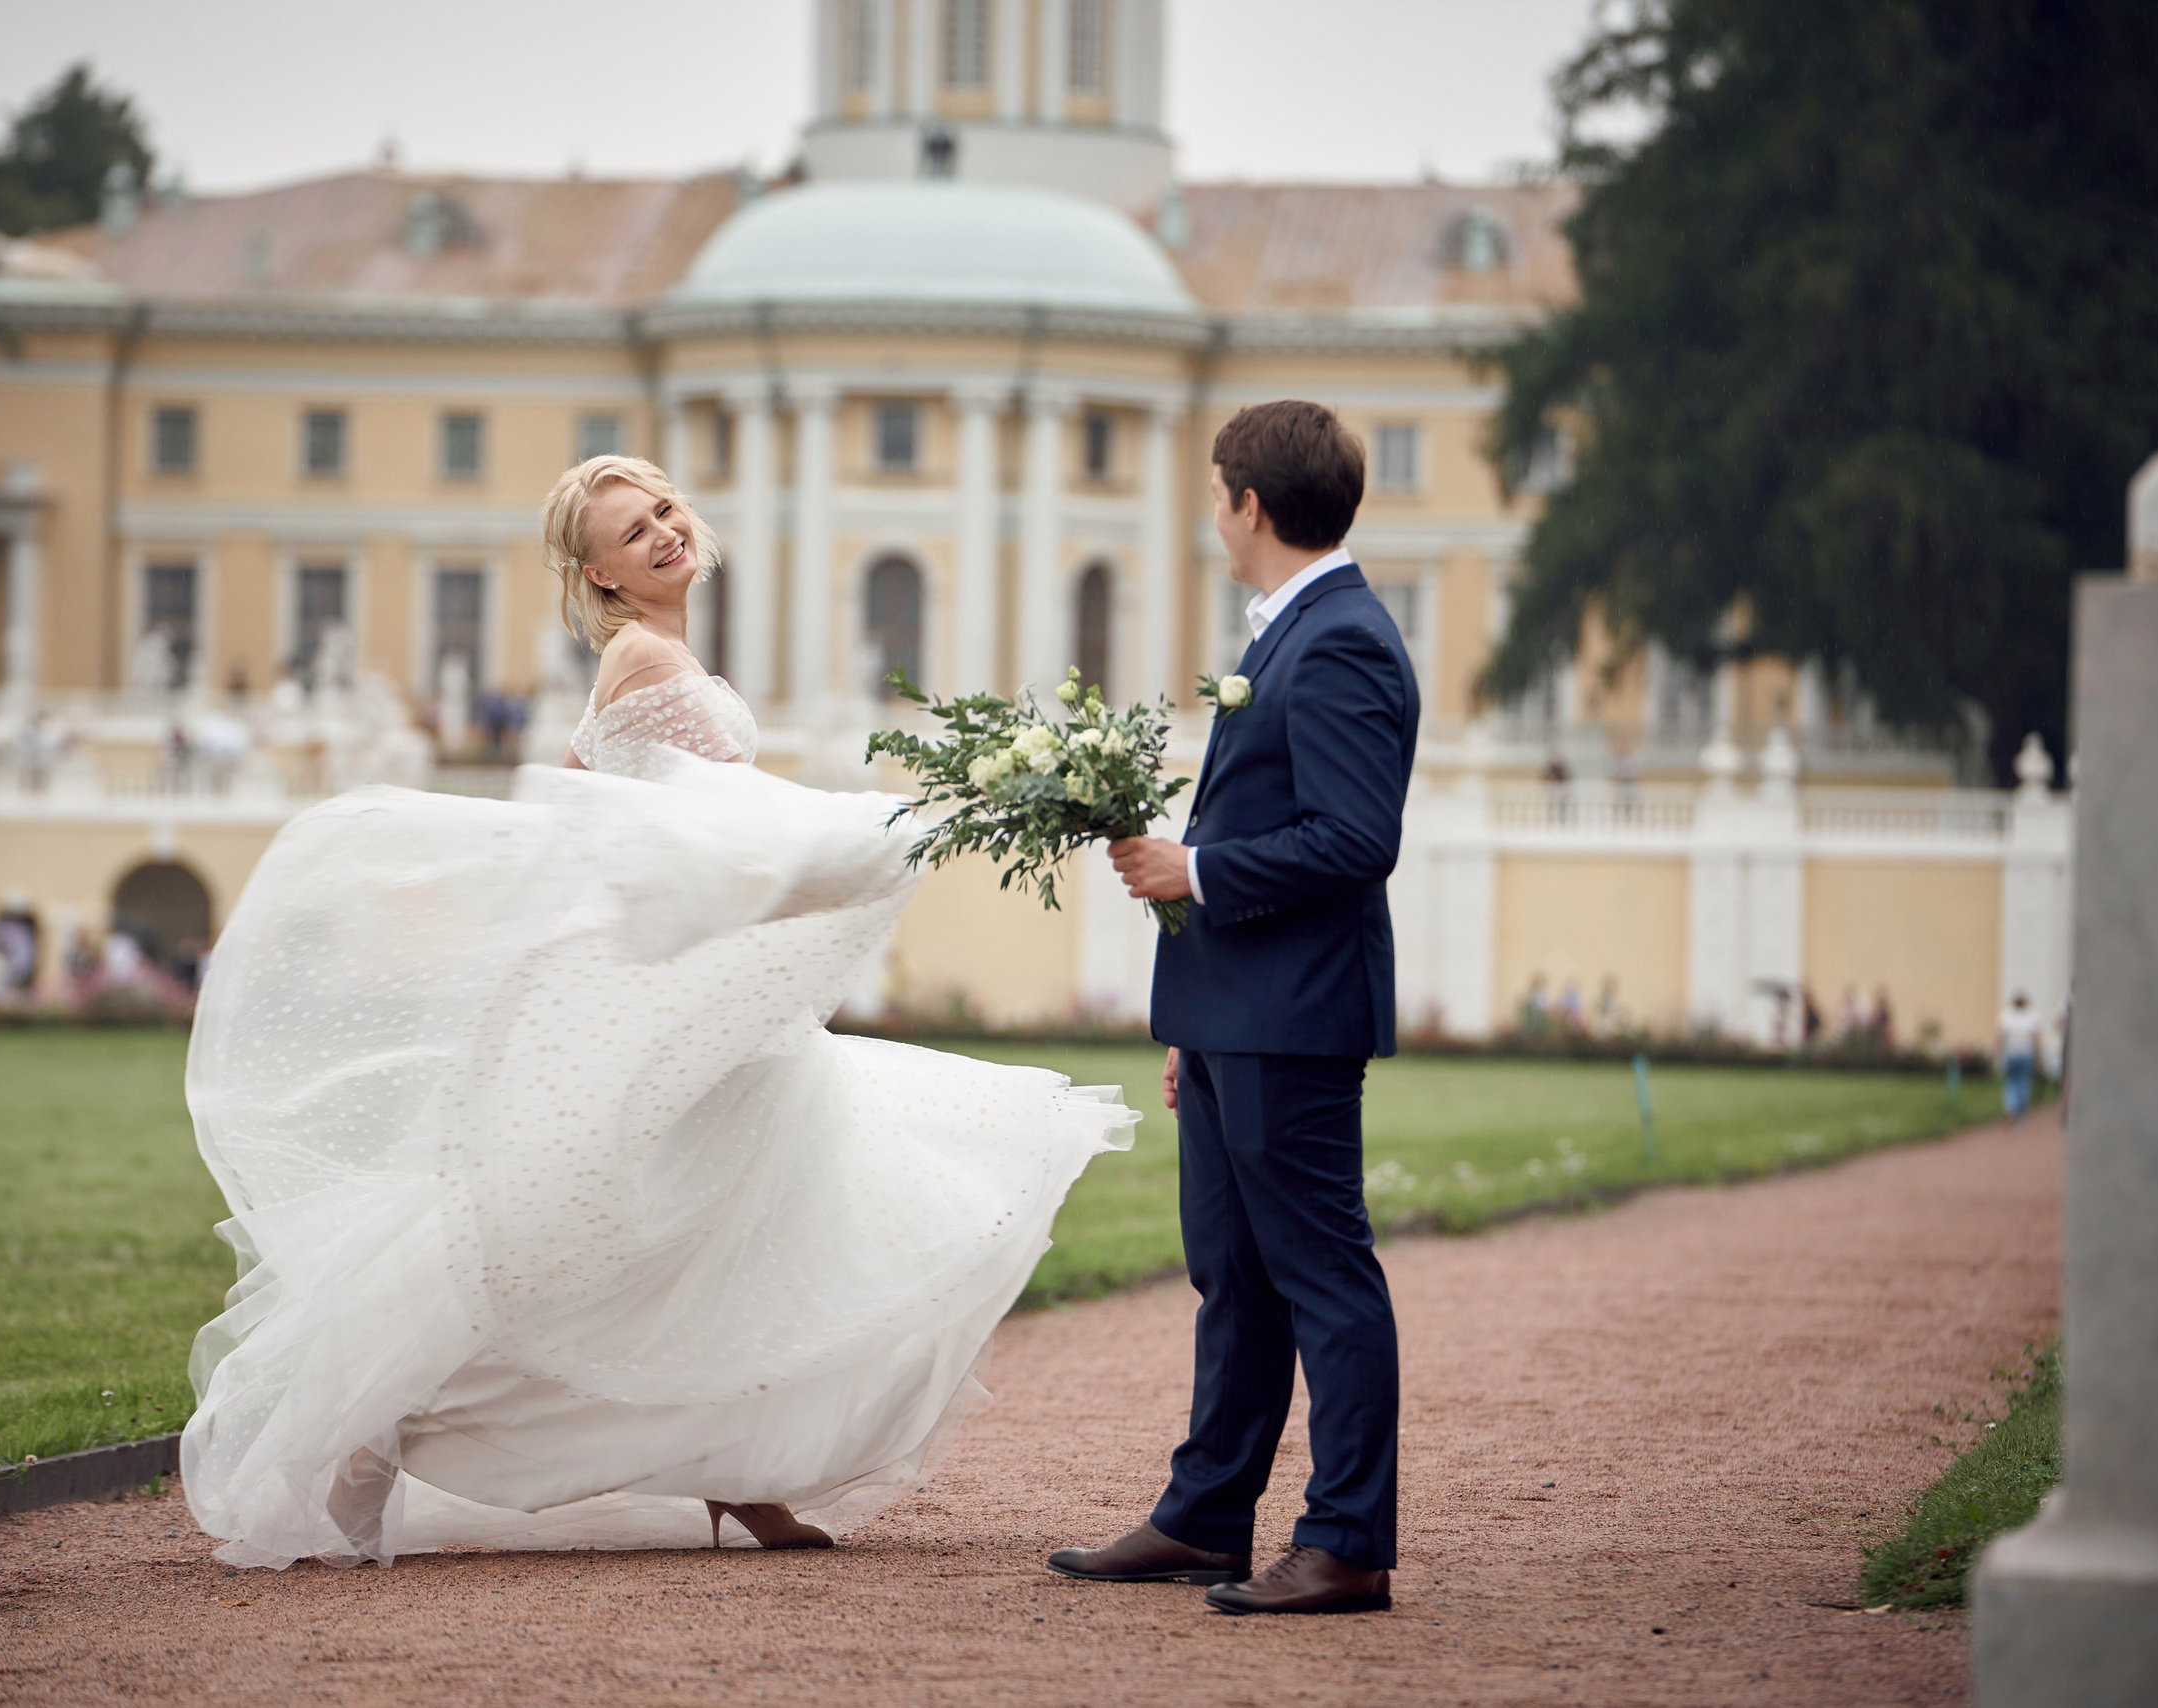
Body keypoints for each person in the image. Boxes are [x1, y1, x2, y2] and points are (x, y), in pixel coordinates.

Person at [179, 453, 1134, 1570]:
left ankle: (733, 1473)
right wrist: (917, 820)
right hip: (689, 1002)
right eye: (634, 532)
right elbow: (746, 822)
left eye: (665, 511)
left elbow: (603, 800)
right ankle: (395, 1416)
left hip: (698, 991)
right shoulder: (644, 655)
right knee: (659, 1237)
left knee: (709, 1231)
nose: (665, 534)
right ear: (599, 574)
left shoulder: (653, 656)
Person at [1066, 399, 1418, 1616]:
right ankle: (1207, 1516)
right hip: (1234, 1016)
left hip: (1296, 1015)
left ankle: (1348, 1540)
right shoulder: (1286, 634)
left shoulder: (1341, 641)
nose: (1212, 514)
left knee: (1322, 1274)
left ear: (1247, 504)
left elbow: (1355, 839)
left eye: (1217, 494)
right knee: (1235, 1274)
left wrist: (1193, 869)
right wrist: (1192, 1020)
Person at [1997, 991, 2043, 1122]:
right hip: (2026, 1054)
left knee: (2011, 1083)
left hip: (2011, 1053)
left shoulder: (2006, 1016)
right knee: (2023, 1083)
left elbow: (2001, 1037)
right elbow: (2036, 1039)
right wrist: (2039, 1057)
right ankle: (2021, 1111)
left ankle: (2011, 1107)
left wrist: (1997, 1054)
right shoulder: (2031, 1017)